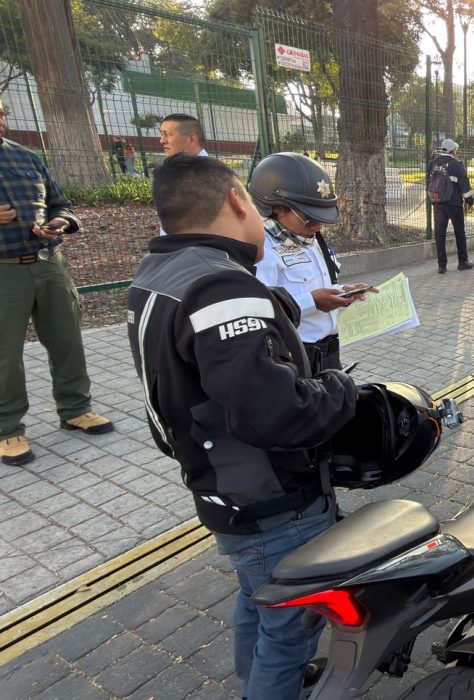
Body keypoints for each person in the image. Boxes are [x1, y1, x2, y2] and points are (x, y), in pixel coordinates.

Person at [126, 154, 357, 699]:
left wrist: (282, 311)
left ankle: (252, 682)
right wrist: (342, 391)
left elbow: (212, 354)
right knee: (291, 628)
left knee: (258, 597)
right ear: (236, 201)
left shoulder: (159, 274)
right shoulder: (220, 286)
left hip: (222, 488)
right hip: (272, 499)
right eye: (252, 203)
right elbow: (278, 413)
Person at [0, 97, 115, 467]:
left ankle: (75, 408)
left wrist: (60, 222)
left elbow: (60, 203)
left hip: (49, 263)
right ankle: (7, 429)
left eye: (1, 112)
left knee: (67, 340)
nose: (0, 119)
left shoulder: (27, 158)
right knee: (5, 356)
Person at [249, 152, 375, 371]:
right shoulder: (262, 250)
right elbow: (261, 312)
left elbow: (315, 286)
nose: (317, 228)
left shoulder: (308, 238)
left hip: (329, 354)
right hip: (295, 358)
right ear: (275, 208)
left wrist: (343, 291)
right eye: (309, 219)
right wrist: (312, 303)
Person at [427, 138, 474, 273]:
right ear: (453, 150)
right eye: (456, 149)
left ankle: (441, 266)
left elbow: (429, 182)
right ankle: (463, 262)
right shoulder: (456, 164)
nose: (456, 151)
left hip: (438, 202)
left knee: (439, 234)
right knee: (459, 232)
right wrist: (470, 202)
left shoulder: (433, 163)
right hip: (453, 204)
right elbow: (464, 185)